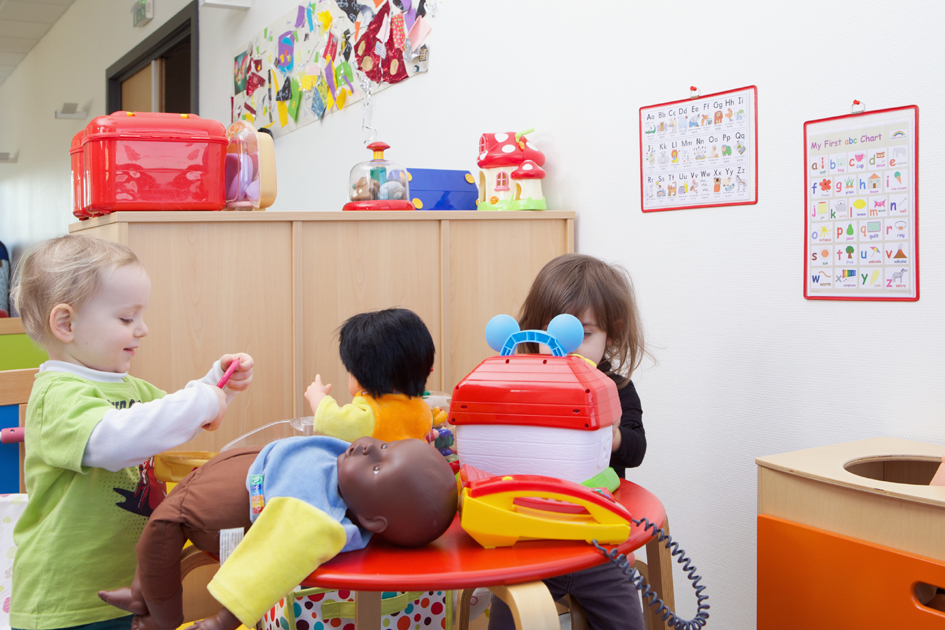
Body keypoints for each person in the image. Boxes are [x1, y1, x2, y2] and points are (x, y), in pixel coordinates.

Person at [9, 234, 254, 630]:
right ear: (66, 323)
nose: (142, 329)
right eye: (126, 318)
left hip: (128, 587)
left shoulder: (128, 388)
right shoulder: (56, 395)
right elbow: (113, 441)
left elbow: (168, 421)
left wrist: (216, 384)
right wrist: (200, 400)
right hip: (65, 600)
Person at [99, 435, 458, 630]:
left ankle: (158, 618)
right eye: (385, 445)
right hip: (208, 479)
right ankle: (138, 592)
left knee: (157, 536)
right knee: (157, 534)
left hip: (193, 515)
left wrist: (225, 619)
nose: (367, 448)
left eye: (377, 467)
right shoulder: (336, 460)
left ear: (373, 520)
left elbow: (269, 567)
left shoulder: (313, 515)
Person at [488, 253, 650, 630]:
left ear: (613, 332)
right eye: (553, 335)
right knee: (510, 616)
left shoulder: (618, 388)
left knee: (625, 619)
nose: (566, 347)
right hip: (534, 540)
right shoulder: (527, 382)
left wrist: (611, 436)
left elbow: (637, 448)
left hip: (597, 540)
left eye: (583, 334)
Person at [304, 308, 436, 442]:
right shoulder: (423, 410)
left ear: (362, 378)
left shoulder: (371, 415)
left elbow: (330, 419)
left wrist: (317, 395)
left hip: (378, 464)